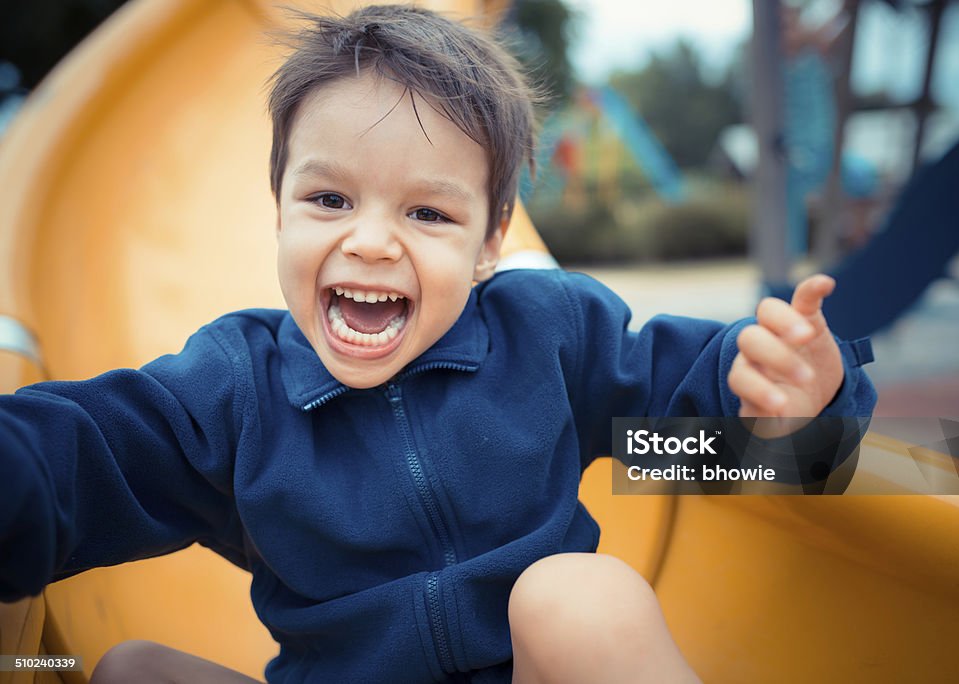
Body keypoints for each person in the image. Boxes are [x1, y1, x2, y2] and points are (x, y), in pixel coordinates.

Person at [0, 5, 876, 683]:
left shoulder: (549, 337)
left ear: (489, 243)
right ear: (278, 212)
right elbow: (90, 455)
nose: (373, 242)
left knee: (576, 593)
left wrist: (795, 401)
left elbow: (697, 432)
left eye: (426, 213)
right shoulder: (238, 391)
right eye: (330, 201)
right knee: (132, 669)